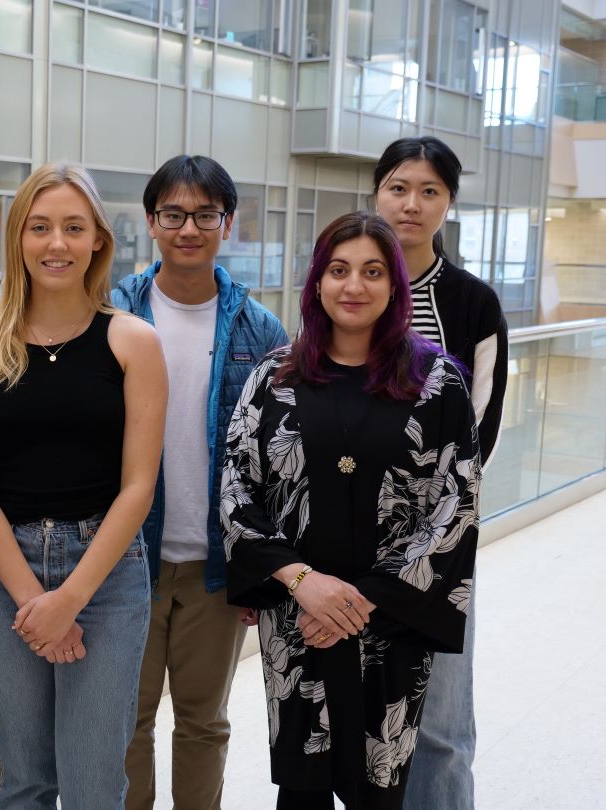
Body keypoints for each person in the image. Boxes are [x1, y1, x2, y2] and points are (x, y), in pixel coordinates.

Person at [221, 212, 482, 809]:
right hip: (296, 618)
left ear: (394, 286)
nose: (353, 286)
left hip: (389, 622)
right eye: (338, 271)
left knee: (379, 787)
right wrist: (305, 584)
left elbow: (455, 504)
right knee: (302, 787)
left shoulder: (436, 383)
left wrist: (359, 601)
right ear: (317, 281)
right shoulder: (275, 376)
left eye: (371, 272)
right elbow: (238, 491)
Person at [0, 162, 168, 809]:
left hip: (107, 573)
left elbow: (138, 488)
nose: (56, 243)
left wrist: (69, 598)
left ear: (98, 238)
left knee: (95, 783)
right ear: (17, 238)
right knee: (25, 780)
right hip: (1, 569)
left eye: (73, 227)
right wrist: (33, 600)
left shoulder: (133, 343)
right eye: (39, 227)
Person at [114, 154, 288, 810]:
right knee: (125, 725)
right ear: (152, 222)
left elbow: (276, 459)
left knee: (203, 724)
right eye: (174, 215)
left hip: (217, 565)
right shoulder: (113, 313)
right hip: (125, 561)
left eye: (205, 215)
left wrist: (260, 570)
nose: (189, 228)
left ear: (228, 223)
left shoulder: (259, 328)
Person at [372, 136, 508, 810]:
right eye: (399, 187)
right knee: (362, 717)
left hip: (444, 546)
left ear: (448, 203)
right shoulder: (345, 284)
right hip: (349, 544)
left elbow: (482, 433)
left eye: (429, 191)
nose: (412, 204)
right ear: (376, 193)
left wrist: (428, 537)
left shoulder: (474, 304)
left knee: (444, 726)